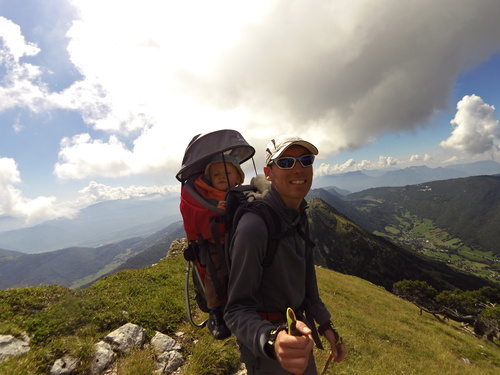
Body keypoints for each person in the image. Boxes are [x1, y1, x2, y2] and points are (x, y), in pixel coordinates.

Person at [224, 135, 346, 374]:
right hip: (271, 346)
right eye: (286, 162)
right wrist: (272, 339)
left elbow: (307, 279)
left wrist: (325, 323)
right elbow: (236, 310)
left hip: (298, 331)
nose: (298, 168)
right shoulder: (254, 226)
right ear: (269, 173)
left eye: (306, 160)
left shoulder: (299, 215)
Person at [193, 154, 245, 340]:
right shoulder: (206, 196)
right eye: (216, 175)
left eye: (227, 172)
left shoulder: (245, 192)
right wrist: (216, 207)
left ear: (238, 177)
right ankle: (215, 310)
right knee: (213, 274)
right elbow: (200, 216)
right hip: (216, 244)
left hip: (240, 243)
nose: (221, 176)